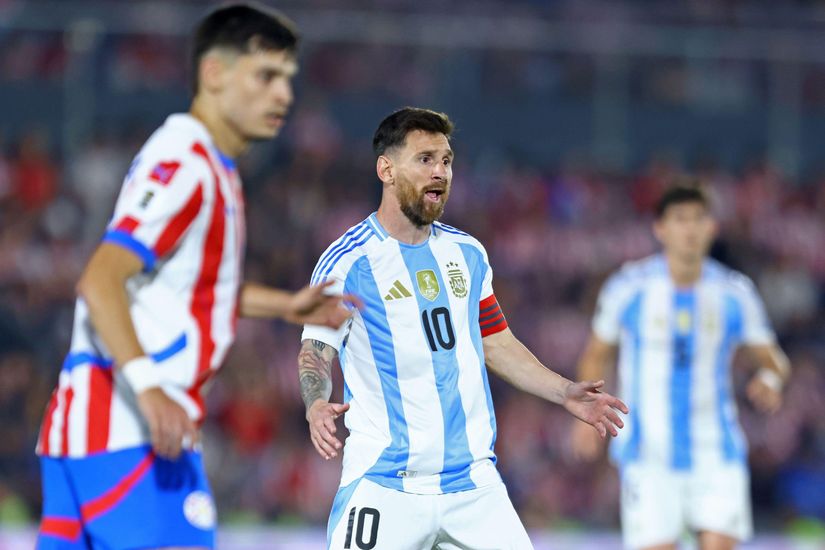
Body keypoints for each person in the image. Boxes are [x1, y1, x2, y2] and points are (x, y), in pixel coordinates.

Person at [36, 5, 356, 549]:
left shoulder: (210, 167)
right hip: (131, 431)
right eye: (266, 76)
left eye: (288, 79)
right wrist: (150, 391)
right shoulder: (188, 164)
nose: (283, 94)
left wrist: (285, 306)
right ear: (214, 74)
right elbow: (100, 278)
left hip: (89, 430)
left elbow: (186, 289)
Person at [297, 107, 629, 549]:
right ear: (387, 169)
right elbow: (315, 351)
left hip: (473, 484)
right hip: (385, 483)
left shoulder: (467, 254)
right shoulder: (347, 262)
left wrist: (564, 391)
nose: (440, 172)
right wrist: (316, 404)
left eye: (447, 161)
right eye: (425, 159)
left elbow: (495, 342)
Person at [570, 183, 791, 550]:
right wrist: (584, 409)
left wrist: (771, 378)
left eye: (698, 220)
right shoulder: (628, 287)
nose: (689, 229)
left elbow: (774, 359)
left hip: (716, 450)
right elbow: (597, 352)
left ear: (711, 228)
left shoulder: (735, 292)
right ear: (661, 228)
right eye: (680, 220)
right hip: (647, 451)